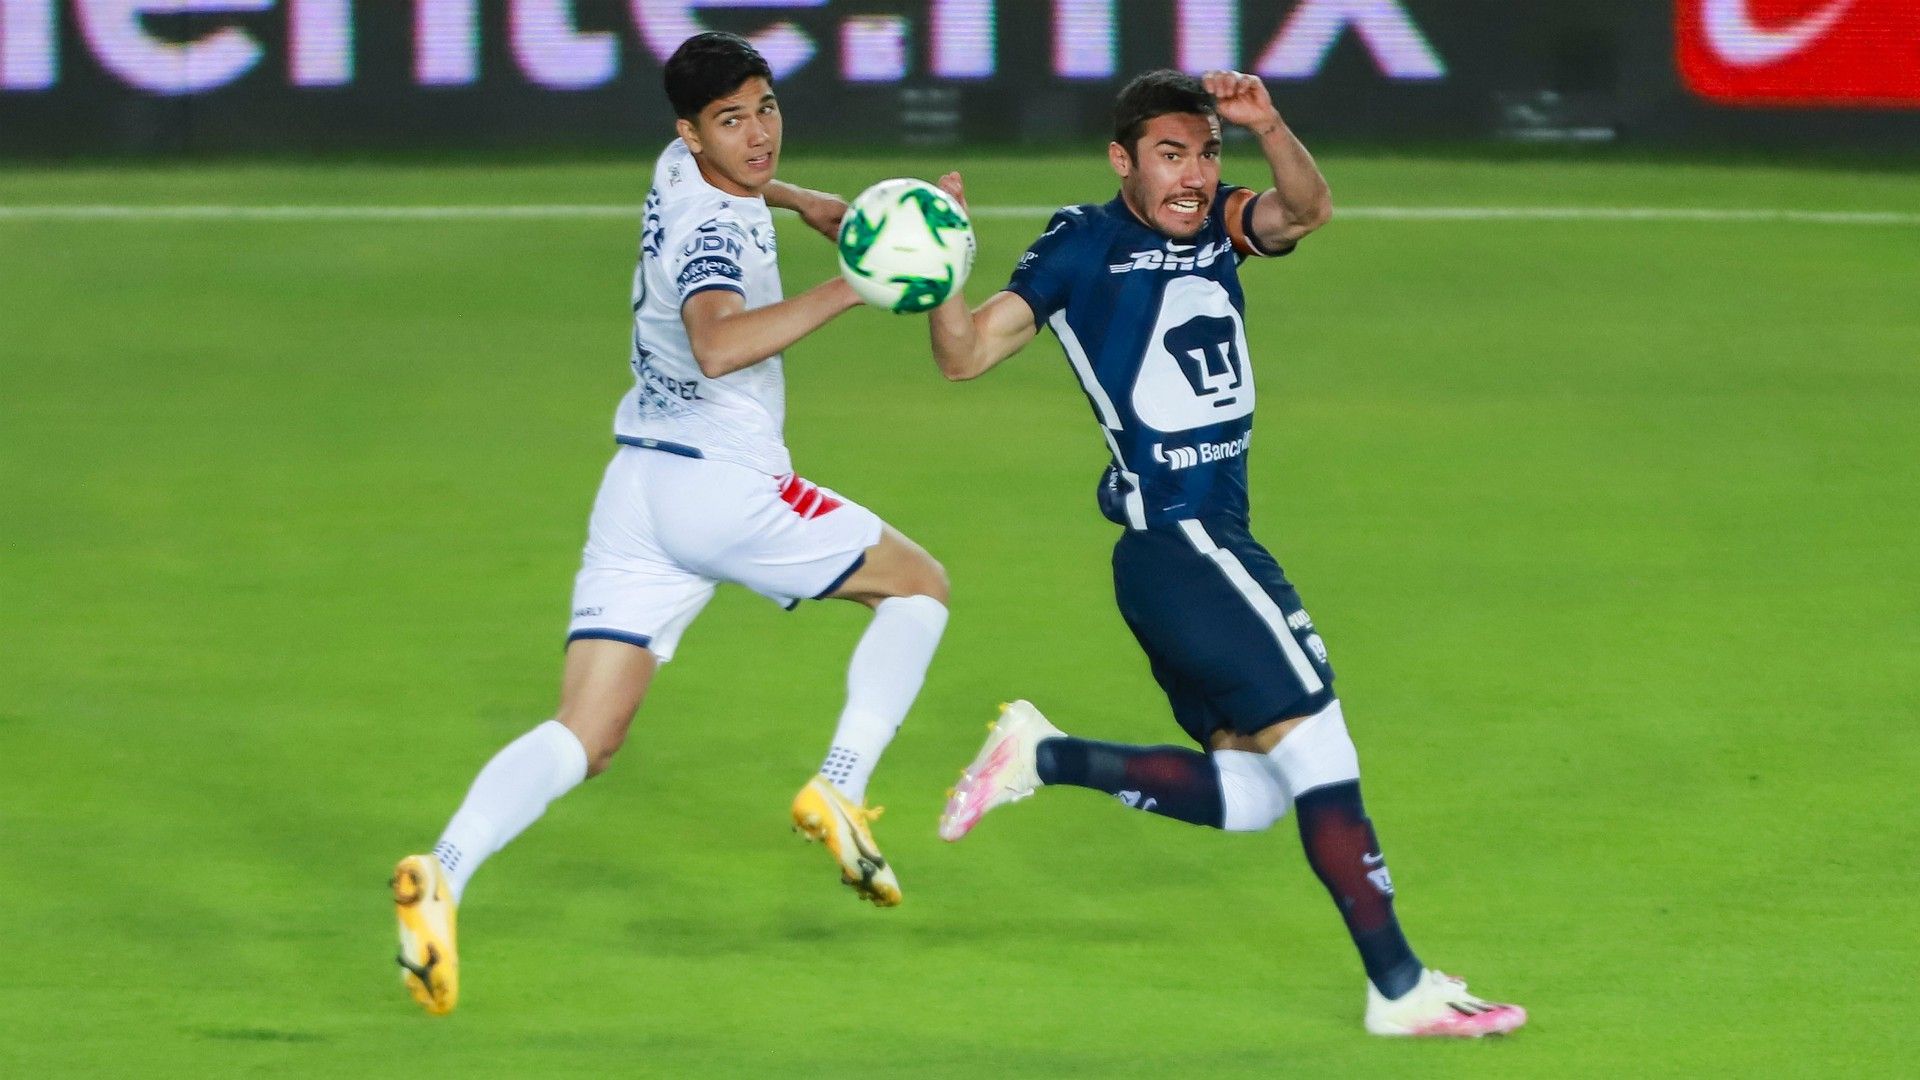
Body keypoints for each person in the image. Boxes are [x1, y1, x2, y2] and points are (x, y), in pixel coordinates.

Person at [927, 69, 1526, 1038]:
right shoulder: (1081, 247)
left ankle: (1044, 753)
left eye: (1207, 154)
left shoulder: (1217, 225)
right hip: (1181, 543)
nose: (1195, 177)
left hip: (1201, 548)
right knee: (1323, 743)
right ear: (1122, 160)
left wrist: (1270, 123)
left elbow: (1308, 209)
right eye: (1172, 155)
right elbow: (964, 353)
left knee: (1254, 796)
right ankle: (1399, 988)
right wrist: (939, 276)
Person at [391, 32, 951, 1016]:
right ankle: (838, 785)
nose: (758, 136)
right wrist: (859, 280)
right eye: (732, 122)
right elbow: (718, 340)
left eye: (766, 108)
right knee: (918, 586)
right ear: (691, 130)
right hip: (724, 490)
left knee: (585, 735)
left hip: (639, 488)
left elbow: (741, 187)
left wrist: (813, 203)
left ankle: (444, 872)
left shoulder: (683, 167)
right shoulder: (717, 239)